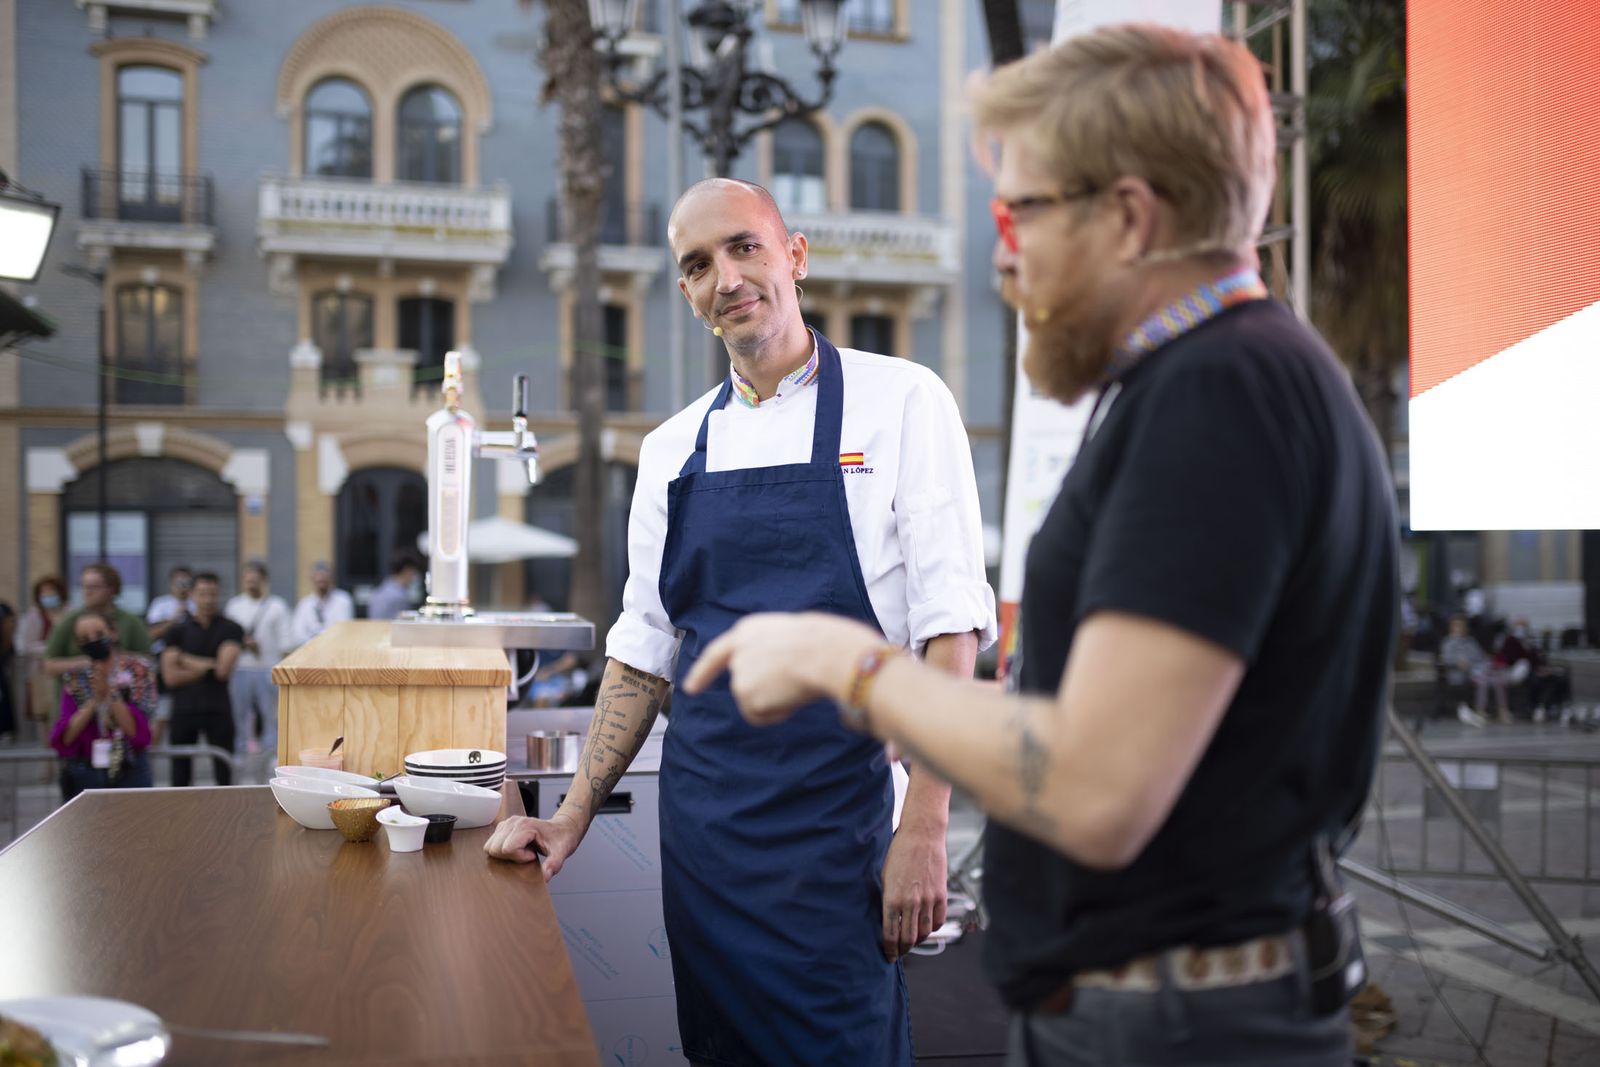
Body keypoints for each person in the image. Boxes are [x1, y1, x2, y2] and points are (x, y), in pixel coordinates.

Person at [681, 25, 1397, 1066]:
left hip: (1176, 1027)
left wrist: (847, 663)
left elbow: (1093, 786)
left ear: (1128, 216)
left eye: (1019, 211)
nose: (1001, 250)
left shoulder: (1216, 394)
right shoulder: (1218, 377)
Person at [485, 176, 995, 1064]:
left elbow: (952, 627)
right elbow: (643, 650)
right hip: (706, 837)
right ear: (685, 294)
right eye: (696, 264)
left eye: (744, 247)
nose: (725, 277)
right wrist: (566, 817)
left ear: (794, 255)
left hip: (842, 831)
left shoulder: (904, 400)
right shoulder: (671, 449)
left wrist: (926, 829)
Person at [49, 612, 156, 801]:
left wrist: (110, 694)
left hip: (129, 766)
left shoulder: (138, 670)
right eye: (84, 638)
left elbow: (138, 731)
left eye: (98, 634)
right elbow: (67, 735)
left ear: (113, 632)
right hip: (86, 769)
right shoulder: (76, 677)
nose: (92, 641)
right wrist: (94, 700)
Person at [160, 572, 243, 786]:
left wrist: (184, 659)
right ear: (192, 595)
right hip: (183, 709)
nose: (208, 600)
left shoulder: (231, 628)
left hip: (218, 708)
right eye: (202, 594)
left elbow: (222, 671)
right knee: (180, 776)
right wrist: (208, 666)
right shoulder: (176, 631)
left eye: (212, 594)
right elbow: (170, 677)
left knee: (224, 775)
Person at [224, 560, 294, 758]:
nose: (251, 584)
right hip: (240, 668)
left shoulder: (277, 606)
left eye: (255, 580)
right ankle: (239, 752)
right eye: (247, 580)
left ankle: (273, 754)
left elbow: (285, 641)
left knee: (270, 715)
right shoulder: (235, 605)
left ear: (264, 580)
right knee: (239, 714)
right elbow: (227, 637)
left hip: (267, 668)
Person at [42, 563, 151, 675]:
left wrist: (117, 659)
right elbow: (49, 664)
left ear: (111, 589)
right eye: (84, 586)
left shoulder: (130, 622)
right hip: (75, 690)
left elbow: (148, 660)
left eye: (94, 587)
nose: (87, 592)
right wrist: (84, 663)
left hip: (121, 688)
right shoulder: (70, 620)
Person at [145, 565, 195, 745]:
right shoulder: (161, 604)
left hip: (188, 663)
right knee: (161, 713)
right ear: (171, 583)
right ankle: (152, 752)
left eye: (186, 582)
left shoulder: (197, 604)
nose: (182, 586)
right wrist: (172, 620)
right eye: (179, 582)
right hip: (163, 664)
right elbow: (150, 634)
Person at [15, 576, 67, 746]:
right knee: (42, 715)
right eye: (44, 592)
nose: (48, 596)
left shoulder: (68, 613)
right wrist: (51, 649)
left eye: (51, 591)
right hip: (40, 671)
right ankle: (46, 758)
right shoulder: (34, 615)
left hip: (64, 671)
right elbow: (28, 645)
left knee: (62, 712)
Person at [1440, 614, 1508, 726]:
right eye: (1456, 625)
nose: (1459, 628)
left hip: (1477, 670)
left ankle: (1502, 710)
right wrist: (1457, 663)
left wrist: (1482, 663)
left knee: (1497, 679)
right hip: (1459, 674)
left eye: (1461, 625)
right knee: (1483, 681)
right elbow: (1445, 659)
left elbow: (1480, 657)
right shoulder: (1448, 642)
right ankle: (1480, 710)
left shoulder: (1471, 641)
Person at [290, 561, 354, 646]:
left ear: (331, 578)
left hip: (336, 649)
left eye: (324, 577)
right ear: (312, 579)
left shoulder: (343, 600)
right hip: (310, 652)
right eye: (318, 578)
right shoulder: (305, 604)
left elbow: (345, 629)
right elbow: (297, 634)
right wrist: (315, 643)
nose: (321, 580)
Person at [365, 555, 420, 621]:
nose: (414, 577)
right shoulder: (398, 597)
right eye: (414, 572)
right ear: (407, 570)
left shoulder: (380, 590)